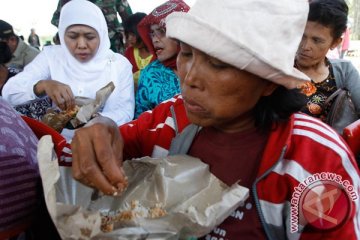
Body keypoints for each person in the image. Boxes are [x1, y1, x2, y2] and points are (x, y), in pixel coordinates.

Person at [71, 0, 360, 239]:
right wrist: (102, 128)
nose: (189, 77)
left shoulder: (316, 160)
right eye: (186, 53)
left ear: (269, 82)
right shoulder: (170, 119)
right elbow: (104, 146)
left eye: (219, 63)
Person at [2, 0, 134, 126]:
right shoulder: (51, 56)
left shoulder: (119, 65)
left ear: (102, 34)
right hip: (58, 142)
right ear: (62, 34)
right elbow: (10, 93)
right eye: (72, 36)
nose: (81, 45)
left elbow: (124, 112)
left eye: (90, 37)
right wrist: (42, 85)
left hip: (100, 141)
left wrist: (93, 119)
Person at [295, 0, 360, 124]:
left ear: (335, 43)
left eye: (317, 40)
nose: (305, 46)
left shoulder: (345, 72)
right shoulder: (282, 69)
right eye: (302, 36)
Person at [134, 0, 189, 118]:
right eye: (152, 33)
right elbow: (140, 120)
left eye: (162, 32)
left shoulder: (206, 64)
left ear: (181, 32)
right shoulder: (149, 74)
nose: (154, 40)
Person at [51, 0, 132, 54]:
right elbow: (57, 20)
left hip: (113, 46)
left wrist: (121, 32)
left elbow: (129, 20)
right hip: (81, 48)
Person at [123, 12, 155, 92]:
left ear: (144, 32)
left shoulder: (158, 54)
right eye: (128, 35)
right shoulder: (129, 53)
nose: (129, 38)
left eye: (133, 35)